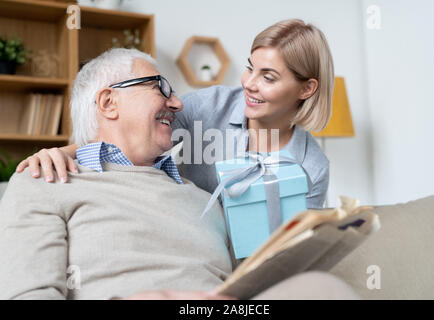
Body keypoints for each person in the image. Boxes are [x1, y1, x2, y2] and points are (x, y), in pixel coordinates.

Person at [0, 48, 358, 300]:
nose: (178, 103)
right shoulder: (44, 181)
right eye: (161, 88)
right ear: (109, 103)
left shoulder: (208, 197)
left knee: (323, 290)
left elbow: (251, 284)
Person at [17, 19, 334, 209]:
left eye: (268, 77)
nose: (249, 84)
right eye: (250, 68)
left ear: (306, 89)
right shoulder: (209, 107)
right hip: (185, 238)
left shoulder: (311, 166)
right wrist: (59, 152)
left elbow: (295, 245)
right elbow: (129, 138)